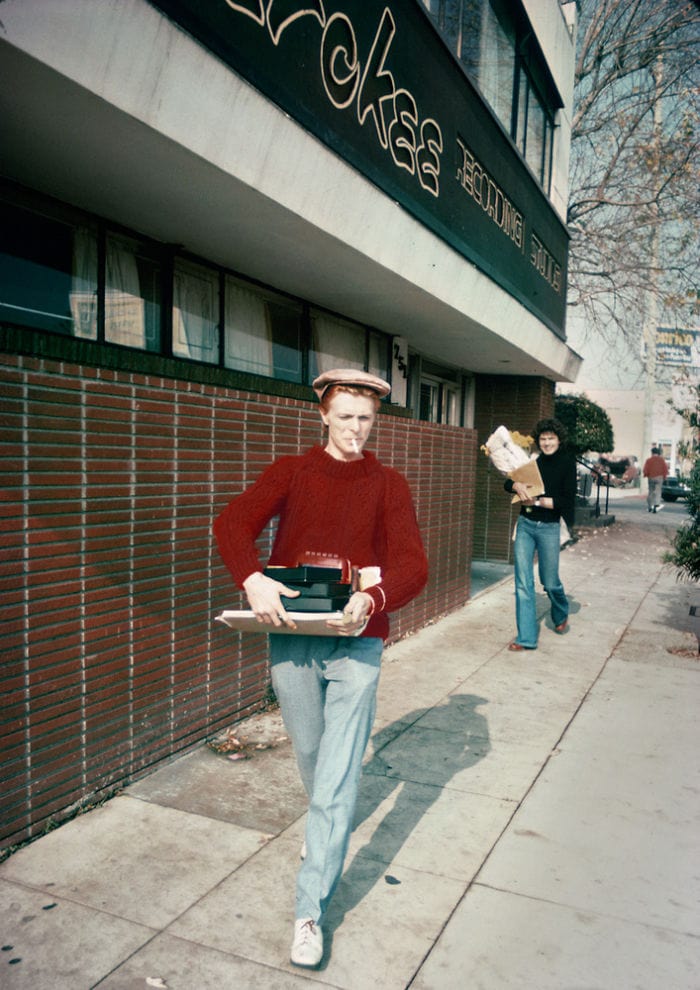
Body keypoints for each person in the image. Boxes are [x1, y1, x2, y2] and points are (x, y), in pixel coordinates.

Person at [213, 369, 428, 969]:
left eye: (366, 418)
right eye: (346, 416)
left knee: (334, 780)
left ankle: (309, 912)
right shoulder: (293, 472)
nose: (356, 429)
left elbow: (413, 566)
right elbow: (231, 524)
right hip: (292, 642)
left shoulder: (389, 485)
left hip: (358, 644)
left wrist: (373, 599)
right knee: (313, 761)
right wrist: (252, 578)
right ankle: (326, 834)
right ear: (324, 416)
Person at [503, 418, 576, 652]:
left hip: (549, 528)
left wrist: (539, 501)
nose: (546, 443)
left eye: (551, 439)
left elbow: (567, 500)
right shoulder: (532, 462)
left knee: (550, 581)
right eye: (543, 439)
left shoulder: (567, 463)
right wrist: (516, 486)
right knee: (523, 583)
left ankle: (561, 612)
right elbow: (508, 482)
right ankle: (526, 638)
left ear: (559, 440)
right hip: (526, 525)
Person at [643, 446, 668, 512]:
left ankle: (649, 506)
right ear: (658, 453)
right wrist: (665, 477)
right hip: (659, 477)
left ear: (652, 453)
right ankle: (656, 504)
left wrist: (646, 474)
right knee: (658, 491)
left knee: (650, 492)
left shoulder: (648, 460)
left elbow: (645, 469)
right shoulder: (661, 460)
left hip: (651, 477)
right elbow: (665, 469)